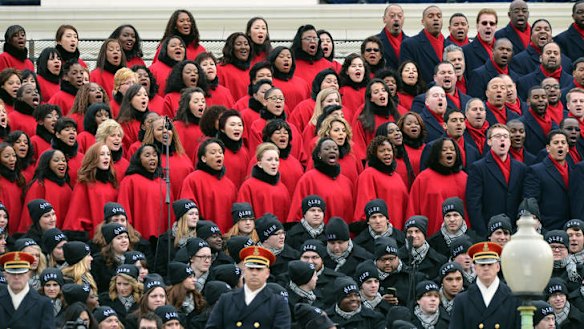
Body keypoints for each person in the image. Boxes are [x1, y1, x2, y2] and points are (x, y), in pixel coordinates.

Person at [205, 245, 291, 329]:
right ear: (244, 271)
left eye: (259, 269)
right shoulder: (226, 300)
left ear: (267, 273)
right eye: (250, 268)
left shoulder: (277, 303)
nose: (254, 273)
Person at [466, 123, 527, 237]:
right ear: (489, 142)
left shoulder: (521, 168)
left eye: (505, 136)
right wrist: (483, 233)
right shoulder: (478, 168)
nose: (502, 139)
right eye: (498, 136)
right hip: (490, 232)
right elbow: (474, 204)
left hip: (515, 231)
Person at [449, 242, 520, 329]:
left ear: (498, 267)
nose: (486, 268)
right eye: (482, 265)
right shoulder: (462, 300)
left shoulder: (513, 298)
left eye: (490, 264)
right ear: (475, 268)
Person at [407, 137, 467, 236]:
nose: (449, 152)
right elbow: (413, 210)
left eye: (452, 150)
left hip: (462, 239)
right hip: (432, 237)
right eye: (444, 150)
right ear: (436, 154)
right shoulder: (423, 179)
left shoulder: (464, 178)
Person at [179, 138, 236, 233]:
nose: (218, 155)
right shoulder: (192, 180)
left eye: (220, 152)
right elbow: (187, 212)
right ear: (203, 158)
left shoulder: (230, 185)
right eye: (213, 153)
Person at [524, 130, 572, 230]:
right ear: (548, 148)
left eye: (563, 143)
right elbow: (531, 202)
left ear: (567, 148)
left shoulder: (575, 171)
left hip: (570, 229)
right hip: (548, 228)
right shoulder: (535, 171)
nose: (560, 146)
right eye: (556, 143)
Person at [0, 251, 55, 329]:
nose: (16, 277)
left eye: (21, 273)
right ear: (5, 275)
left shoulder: (43, 304)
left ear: (29, 274)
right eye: (12, 273)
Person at [237, 143, 290, 221]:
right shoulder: (248, 186)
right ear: (260, 164)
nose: (274, 163)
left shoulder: (283, 188)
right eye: (269, 159)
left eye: (276, 160)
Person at [400, 5, 445, 85]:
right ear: (422, 21)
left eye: (439, 16)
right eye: (430, 16)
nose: (435, 19)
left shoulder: (451, 46)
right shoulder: (410, 45)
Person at [520, 86, 559, 155]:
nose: (541, 100)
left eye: (544, 97)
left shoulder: (553, 124)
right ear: (528, 102)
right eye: (536, 97)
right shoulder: (521, 124)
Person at [462, 9, 498, 74]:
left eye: (492, 24)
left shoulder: (503, 49)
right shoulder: (465, 51)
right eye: (484, 23)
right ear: (477, 26)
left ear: (496, 27)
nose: (488, 26)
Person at [378, 4, 407, 71]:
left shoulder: (412, 43)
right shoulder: (375, 42)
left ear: (403, 19)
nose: (396, 19)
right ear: (384, 19)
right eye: (392, 16)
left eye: (400, 16)